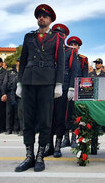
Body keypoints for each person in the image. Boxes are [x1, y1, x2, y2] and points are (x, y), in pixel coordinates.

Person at [15, 4, 65, 172]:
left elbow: (61, 63)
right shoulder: (29, 37)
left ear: (50, 20)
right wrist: (19, 83)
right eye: (39, 16)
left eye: (44, 16)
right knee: (27, 120)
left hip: (47, 83)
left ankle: (40, 156)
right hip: (28, 81)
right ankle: (29, 155)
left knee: (44, 120)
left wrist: (58, 84)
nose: (41, 18)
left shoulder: (57, 38)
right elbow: (22, 61)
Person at [44, 25, 77, 159]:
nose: (57, 36)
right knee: (47, 118)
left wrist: (71, 88)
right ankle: (49, 146)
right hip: (48, 87)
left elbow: (73, 70)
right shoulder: (47, 49)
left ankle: (57, 145)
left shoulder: (70, 51)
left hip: (63, 89)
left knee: (59, 118)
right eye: (55, 33)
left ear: (64, 37)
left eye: (60, 34)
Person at [62, 35, 88, 149]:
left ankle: (74, 138)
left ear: (79, 47)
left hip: (77, 90)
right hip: (66, 88)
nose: (73, 47)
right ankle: (65, 137)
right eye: (71, 45)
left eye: (75, 45)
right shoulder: (64, 56)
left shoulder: (83, 59)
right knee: (64, 113)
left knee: (75, 115)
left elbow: (85, 77)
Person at [2, 63, 19, 135]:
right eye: (18, 61)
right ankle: (8, 129)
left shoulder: (23, 70)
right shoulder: (10, 71)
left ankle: (16, 129)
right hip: (9, 93)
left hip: (19, 93)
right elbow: (5, 83)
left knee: (17, 112)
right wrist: (4, 93)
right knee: (9, 112)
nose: (19, 63)